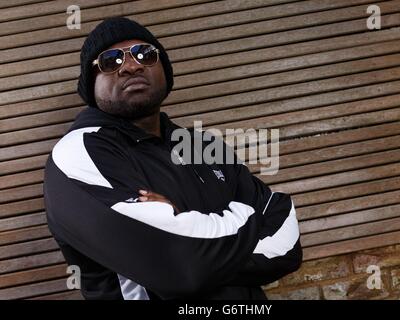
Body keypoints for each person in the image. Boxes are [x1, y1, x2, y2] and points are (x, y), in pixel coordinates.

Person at [43, 17, 302, 300]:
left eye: (145, 54)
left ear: (164, 69)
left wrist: (184, 227)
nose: (132, 65)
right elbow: (180, 263)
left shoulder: (202, 144)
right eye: (110, 61)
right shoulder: (80, 152)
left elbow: (286, 240)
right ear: (91, 84)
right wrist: (246, 218)